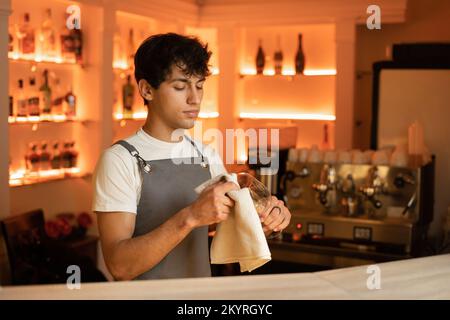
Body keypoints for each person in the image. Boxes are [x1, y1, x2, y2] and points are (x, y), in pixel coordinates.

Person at [92, 33, 291, 281]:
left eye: (199, 85)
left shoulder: (204, 154)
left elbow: (233, 230)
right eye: (180, 86)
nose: (194, 98)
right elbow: (120, 266)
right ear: (146, 89)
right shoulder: (119, 160)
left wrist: (265, 222)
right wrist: (191, 216)